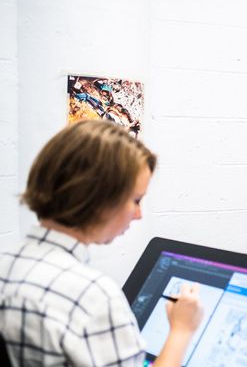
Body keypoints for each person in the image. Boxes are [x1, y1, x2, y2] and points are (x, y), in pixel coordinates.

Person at [0, 120, 203, 367]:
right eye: (136, 200)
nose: (138, 214)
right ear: (99, 197)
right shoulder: (92, 297)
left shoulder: (7, 263)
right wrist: (181, 330)